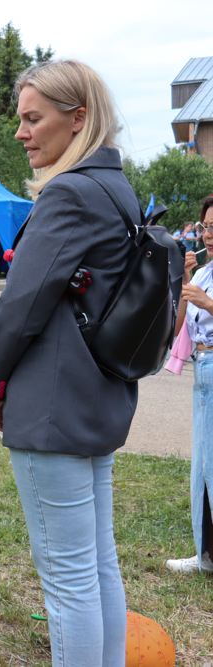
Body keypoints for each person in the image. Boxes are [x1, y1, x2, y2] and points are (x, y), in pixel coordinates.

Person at [0, 60, 137, 666]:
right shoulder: (116, 189)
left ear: (78, 118)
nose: (21, 132)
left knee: (68, 581)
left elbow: (20, 304)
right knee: (98, 566)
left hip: (53, 404)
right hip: (98, 394)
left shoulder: (69, 193)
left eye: (32, 118)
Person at [167, 195, 213, 576]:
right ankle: (204, 554)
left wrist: (208, 302)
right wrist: (185, 283)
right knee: (202, 464)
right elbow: (181, 322)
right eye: (205, 227)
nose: (209, 235)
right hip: (203, 367)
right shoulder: (202, 274)